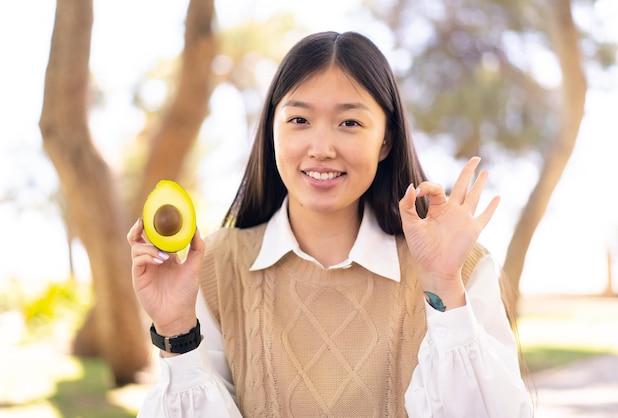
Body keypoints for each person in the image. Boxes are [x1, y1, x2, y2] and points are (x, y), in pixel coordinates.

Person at [128, 31, 533, 417]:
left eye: (349, 123)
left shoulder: (459, 267)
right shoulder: (214, 268)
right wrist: (176, 329)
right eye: (299, 120)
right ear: (272, 130)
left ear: (386, 141)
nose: (321, 149)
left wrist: (444, 288)